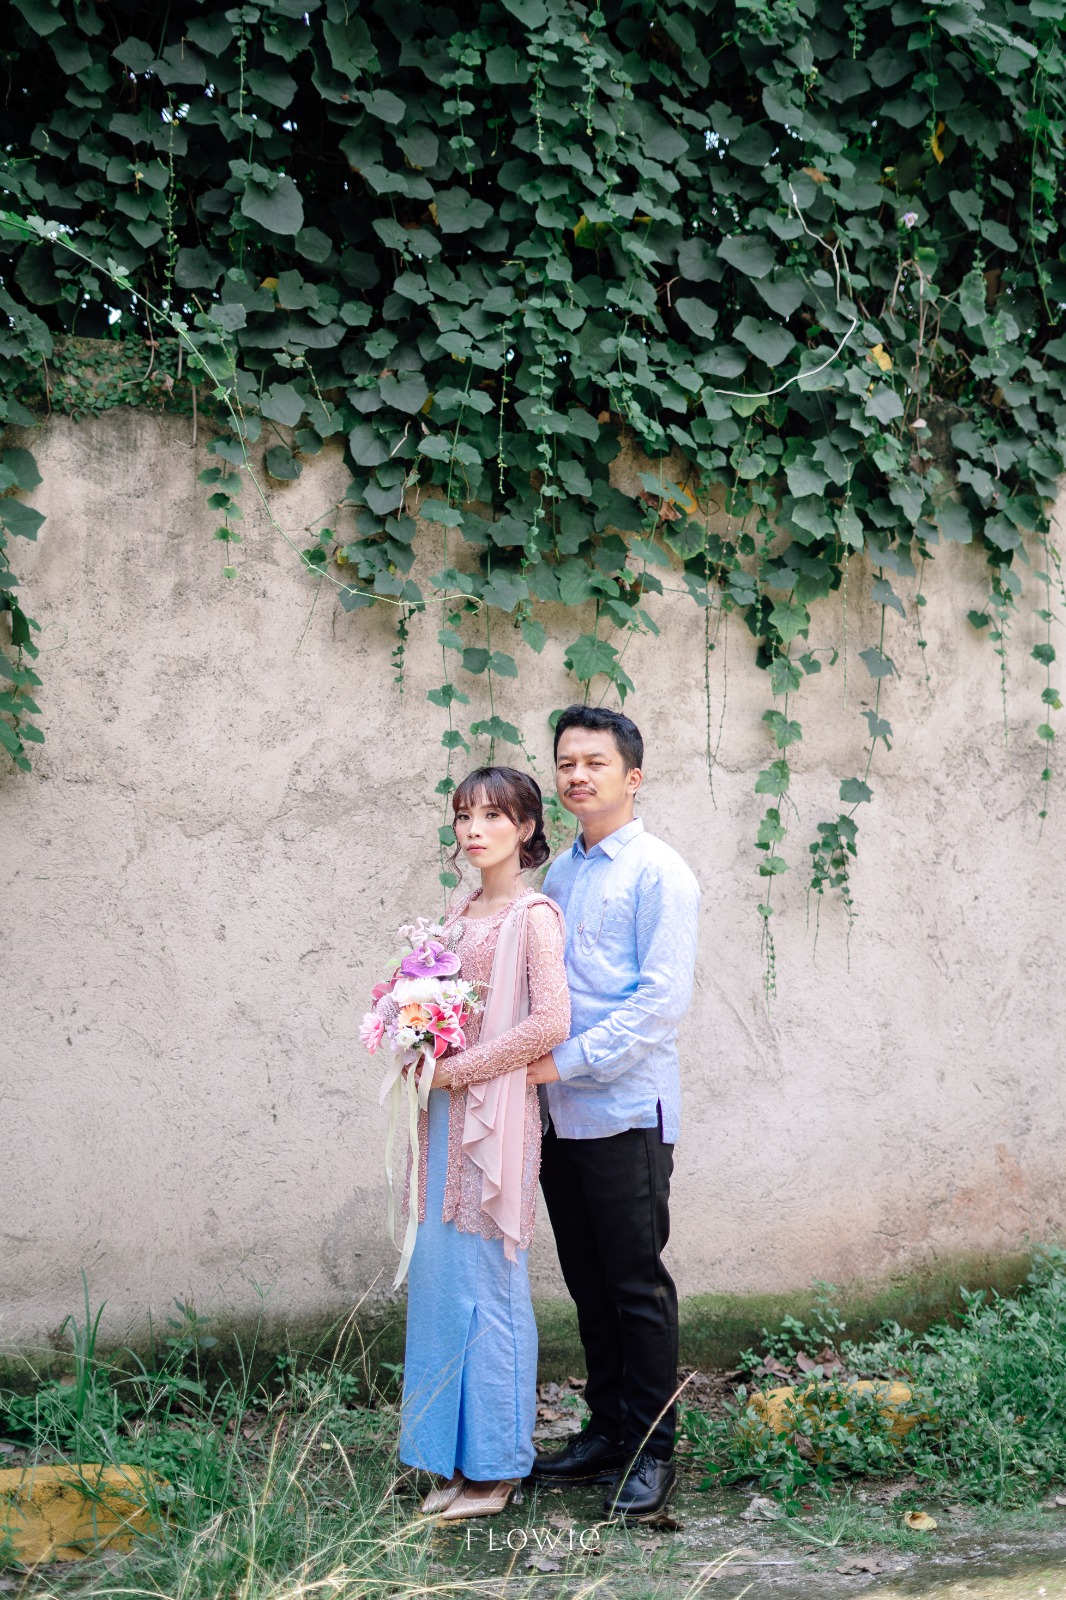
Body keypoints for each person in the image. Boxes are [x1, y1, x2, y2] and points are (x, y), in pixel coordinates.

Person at [526, 705, 700, 1521]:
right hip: (557, 1112)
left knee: (635, 1285)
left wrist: (558, 1064)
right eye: (566, 763)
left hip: (625, 1111)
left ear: (632, 777)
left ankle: (653, 1452)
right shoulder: (560, 873)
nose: (577, 776)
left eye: (594, 762)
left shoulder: (661, 873)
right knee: (588, 1283)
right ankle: (605, 1433)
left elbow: (659, 1005)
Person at [398, 766, 569, 1521]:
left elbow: (551, 1023)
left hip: (495, 1118)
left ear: (526, 828)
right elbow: (440, 1008)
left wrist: (456, 1070)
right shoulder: (458, 911)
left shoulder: (535, 916)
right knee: (441, 1282)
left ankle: (497, 1469)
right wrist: (412, 1041)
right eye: (464, 814)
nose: (474, 829)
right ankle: (451, 1458)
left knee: (489, 1286)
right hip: (442, 1115)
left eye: (493, 816)